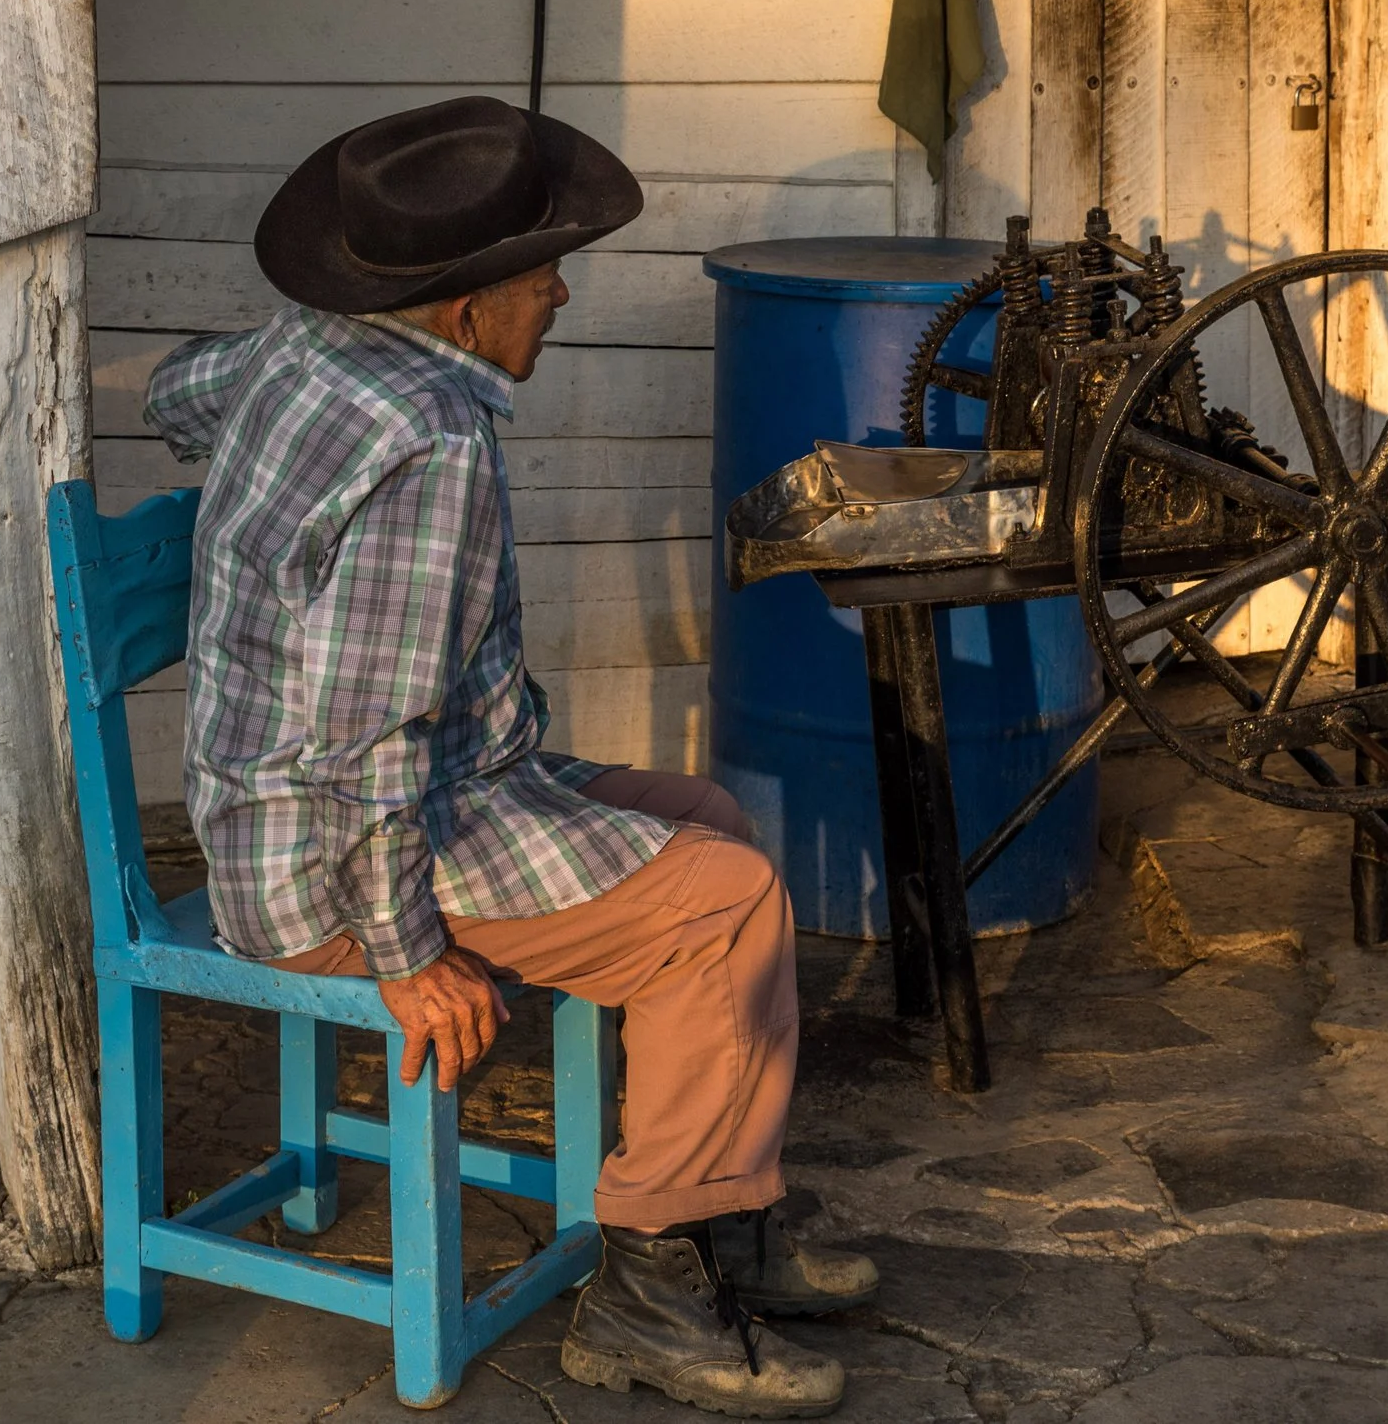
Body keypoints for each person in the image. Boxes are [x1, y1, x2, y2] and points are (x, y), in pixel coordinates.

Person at [143, 97, 875, 1418]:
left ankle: (720, 1209)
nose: (561, 291)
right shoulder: (429, 443)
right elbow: (374, 733)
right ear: (465, 303)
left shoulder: (308, 346)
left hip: (330, 803)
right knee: (724, 907)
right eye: (540, 272)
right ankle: (645, 1296)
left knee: (710, 817)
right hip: (332, 864)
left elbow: (171, 390)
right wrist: (411, 956)